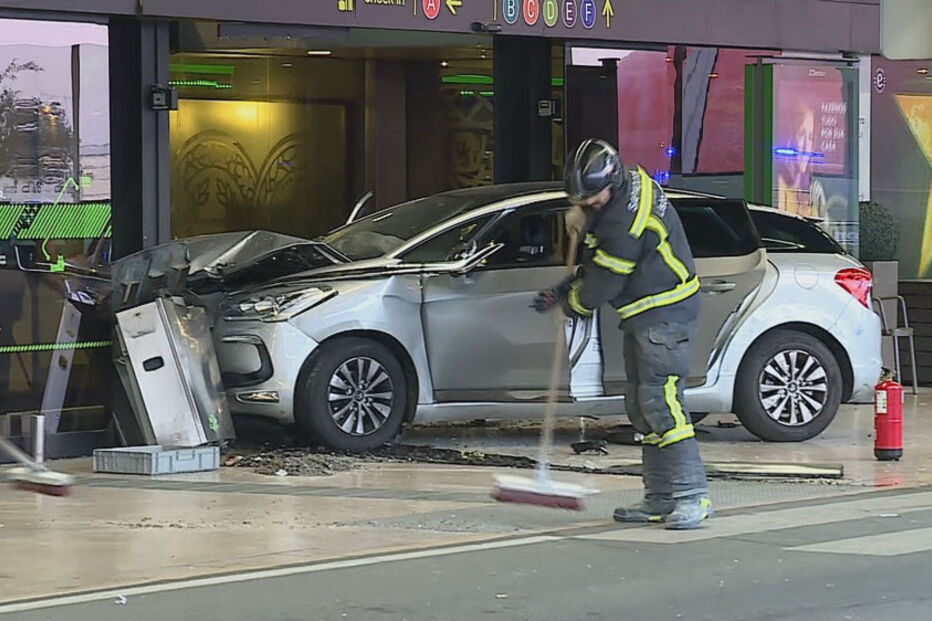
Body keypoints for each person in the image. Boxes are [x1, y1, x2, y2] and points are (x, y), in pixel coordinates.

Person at [533, 139, 712, 530]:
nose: (589, 203)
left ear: (610, 183)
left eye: (592, 198)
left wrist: (573, 302)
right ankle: (659, 497)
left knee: (662, 403)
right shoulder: (629, 186)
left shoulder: (621, 224)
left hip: (665, 312)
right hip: (646, 314)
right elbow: (601, 253)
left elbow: (604, 283)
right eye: (581, 198)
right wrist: (585, 221)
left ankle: (691, 495)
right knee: (641, 405)